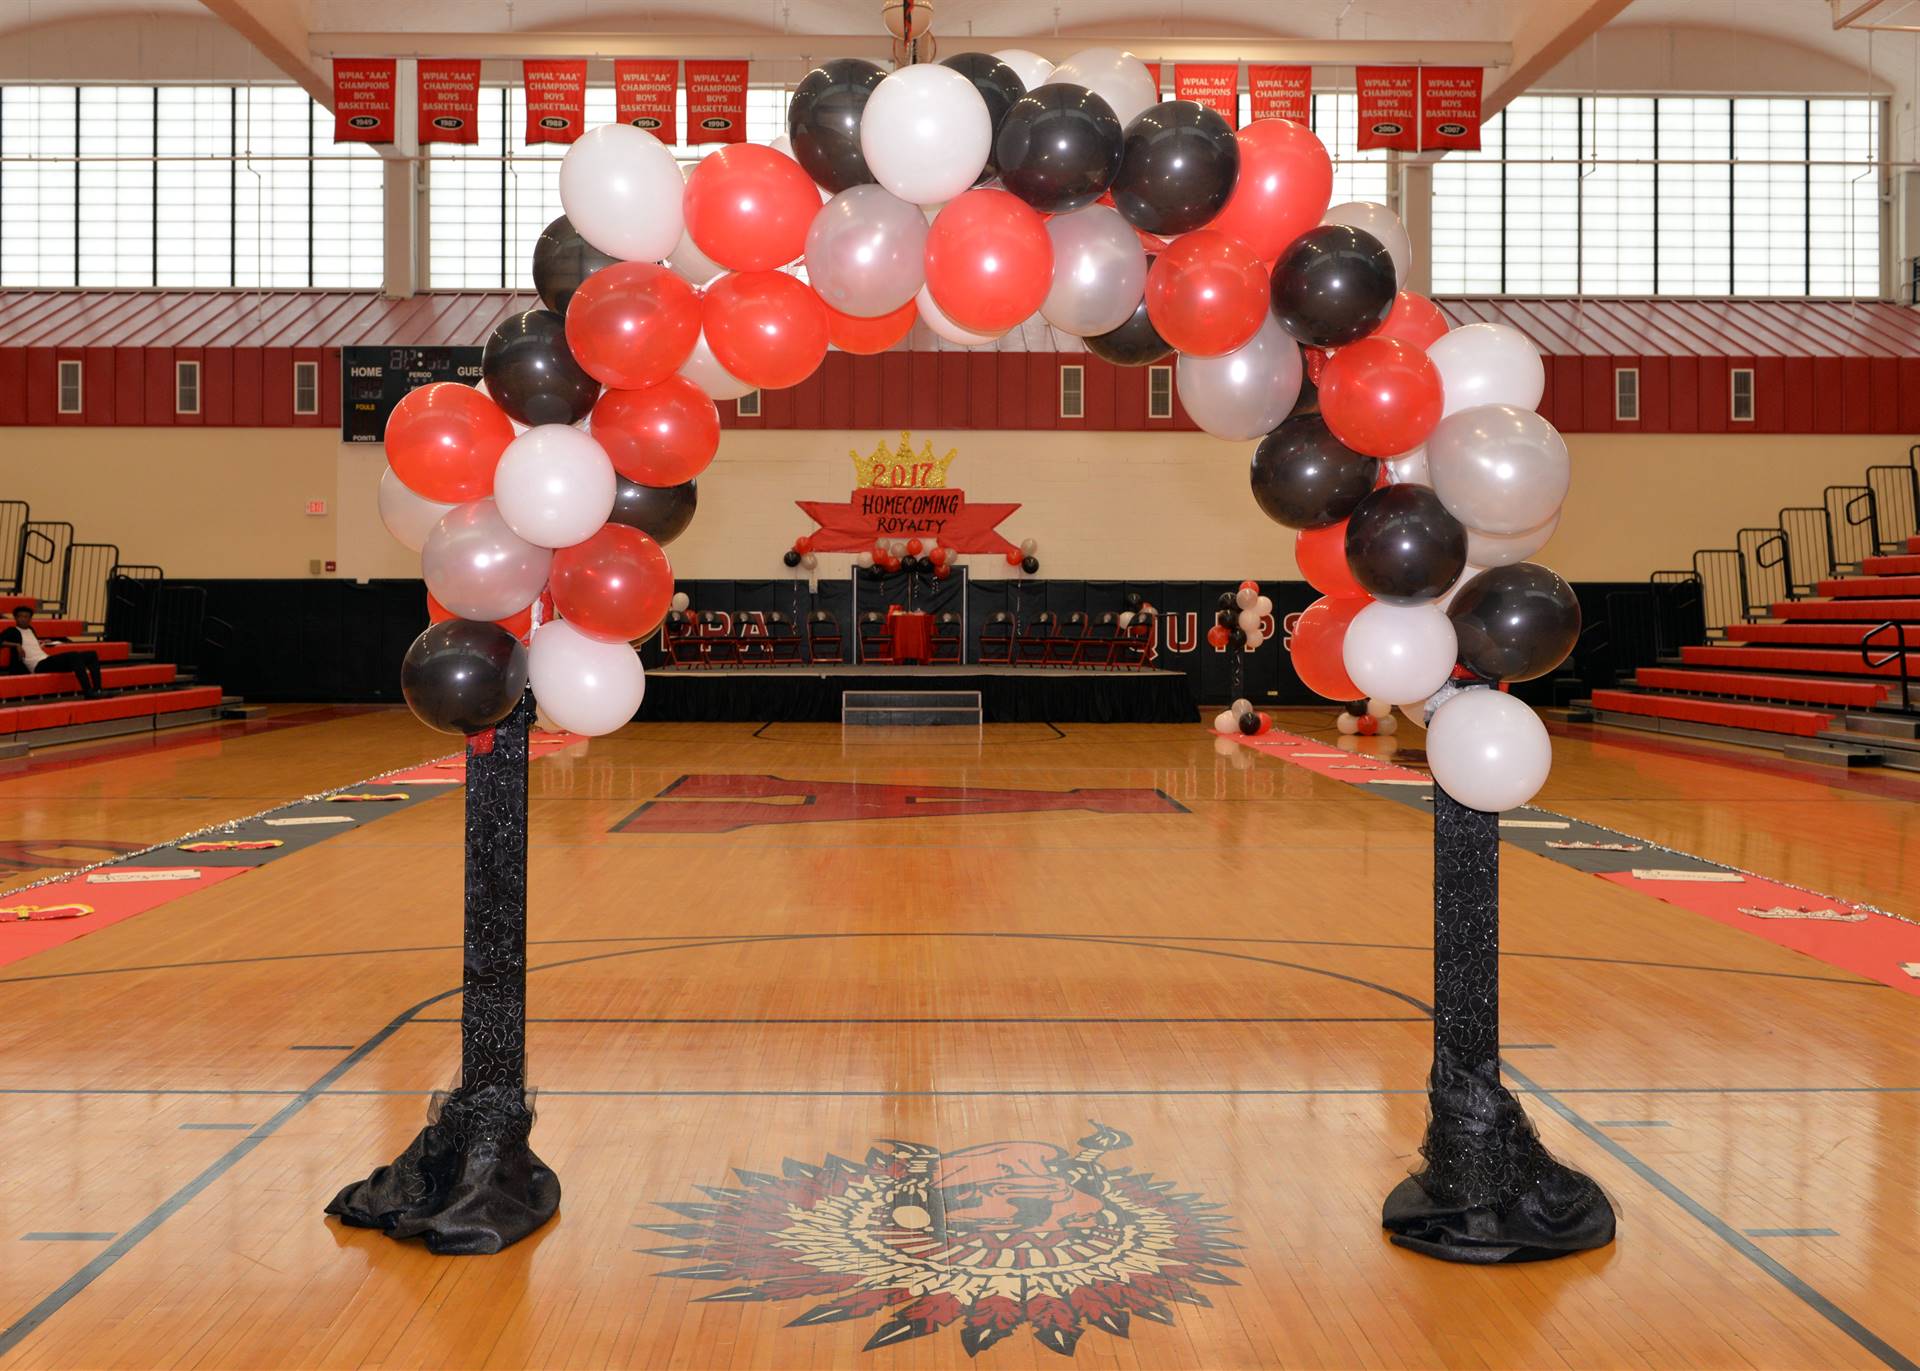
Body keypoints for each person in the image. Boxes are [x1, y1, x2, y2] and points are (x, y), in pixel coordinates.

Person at [1, 605, 102, 697]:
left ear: (30, 619)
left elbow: (30, 644)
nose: (23, 619)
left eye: (26, 616)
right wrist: (16, 645)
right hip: (38, 666)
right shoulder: (12, 631)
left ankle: (97, 690)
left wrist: (42, 642)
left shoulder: (30, 629)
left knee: (91, 654)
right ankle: (88, 692)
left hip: (46, 660)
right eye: (20, 616)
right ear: (15, 618)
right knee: (74, 655)